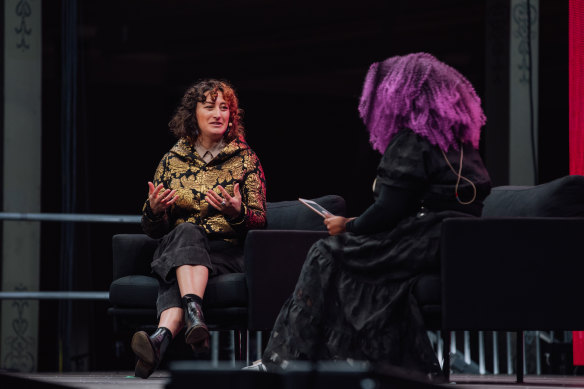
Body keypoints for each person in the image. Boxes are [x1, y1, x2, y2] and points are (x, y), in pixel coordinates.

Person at [248, 53, 491, 377]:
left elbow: (389, 210)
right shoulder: (461, 144)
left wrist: (349, 227)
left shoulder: (412, 140)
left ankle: (283, 361)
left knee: (325, 254)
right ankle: (353, 364)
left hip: (422, 241)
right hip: (456, 244)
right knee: (358, 270)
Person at [131, 79, 267, 378]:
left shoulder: (245, 159)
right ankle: (194, 318)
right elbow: (152, 229)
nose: (219, 114)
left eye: (225, 108)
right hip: (179, 243)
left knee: (177, 268)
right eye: (210, 107)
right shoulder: (172, 159)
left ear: (232, 116)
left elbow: (260, 221)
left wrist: (237, 212)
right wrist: (154, 211)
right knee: (186, 232)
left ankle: (161, 337)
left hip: (226, 253)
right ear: (193, 114)